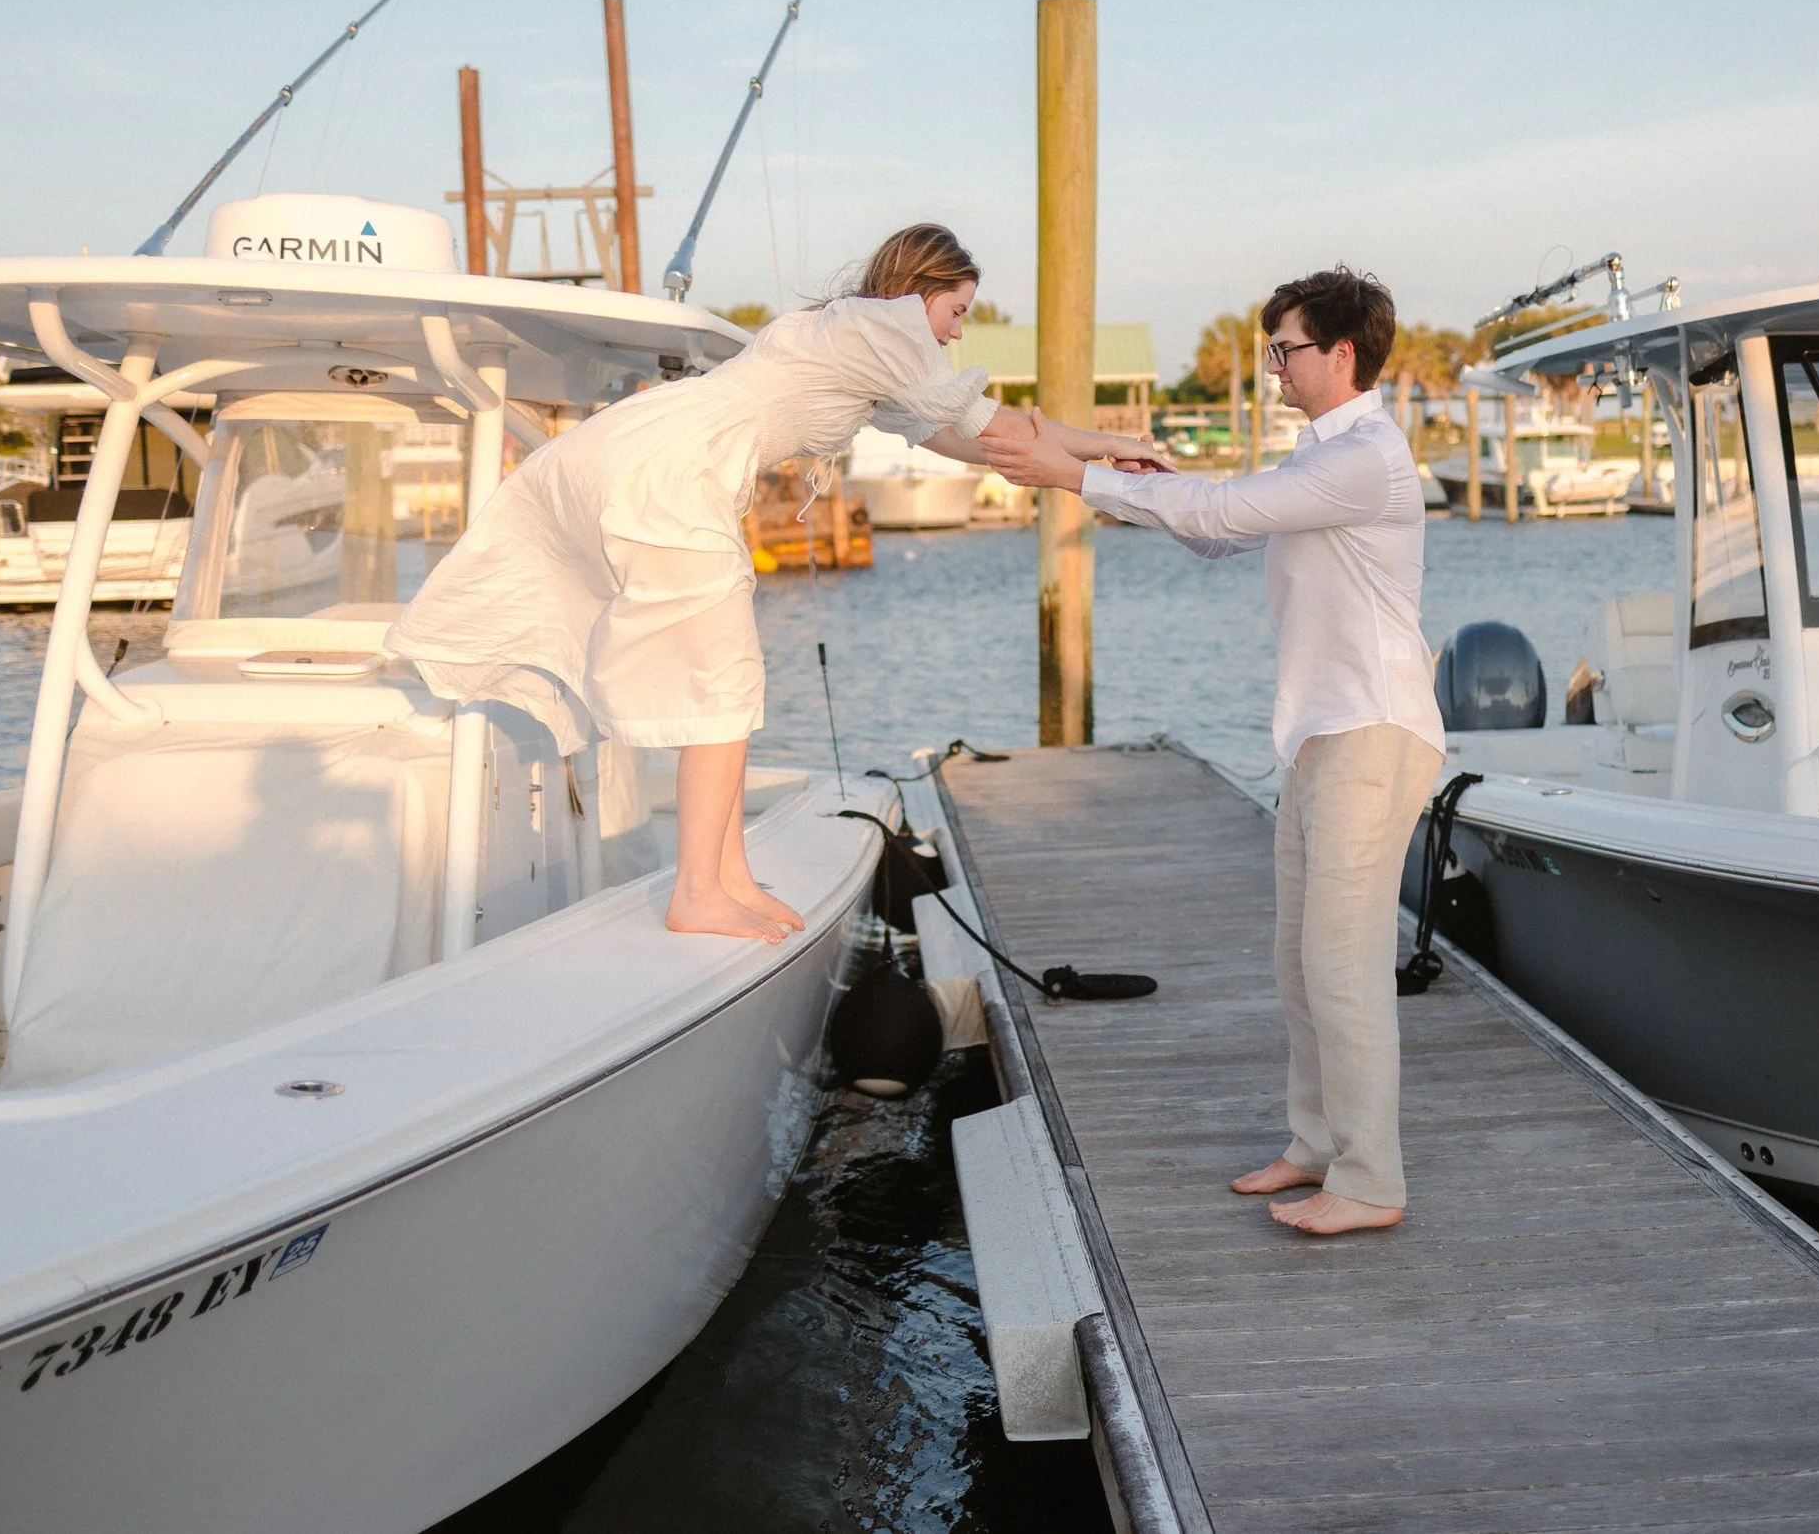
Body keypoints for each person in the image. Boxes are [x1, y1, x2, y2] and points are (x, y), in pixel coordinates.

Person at [386, 224, 1159, 943]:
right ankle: (698, 890)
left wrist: (1104, 451)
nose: (959, 330)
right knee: (723, 683)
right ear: (923, 289)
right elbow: (997, 429)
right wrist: (1103, 457)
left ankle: (724, 877)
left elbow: (963, 438)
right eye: (957, 310)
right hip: (676, 468)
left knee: (731, 682)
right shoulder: (886, 329)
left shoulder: (858, 336)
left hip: (654, 449)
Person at [980, 267, 1444, 1236]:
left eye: (1285, 348)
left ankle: (1370, 1180)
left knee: (1341, 962)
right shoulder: (1318, 462)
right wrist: (1138, 489)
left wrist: (1076, 472)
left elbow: (1225, 513)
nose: (1273, 364)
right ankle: (1316, 1143)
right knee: (1297, 959)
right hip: (1323, 736)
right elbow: (1216, 533)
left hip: (1373, 730)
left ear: (1341, 353)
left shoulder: (1367, 455)